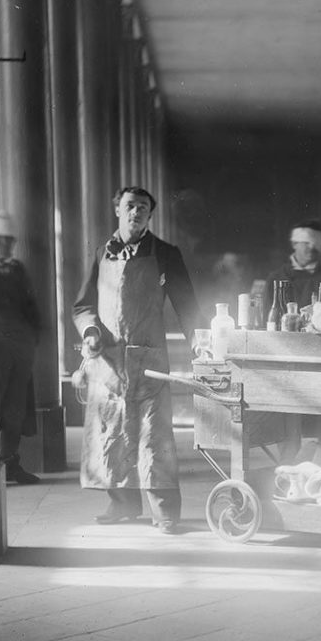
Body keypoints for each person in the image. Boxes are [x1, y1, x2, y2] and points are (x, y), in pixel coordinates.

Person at [73, 186, 207, 535]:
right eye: (130, 206)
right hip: (109, 361)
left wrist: (201, 344)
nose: (136, 213)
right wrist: (89, 331)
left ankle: (165, 512)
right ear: (118, 209)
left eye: (143, 208)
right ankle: (122, 504)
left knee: (154, 435)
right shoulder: (102, 252)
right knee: (112, 432)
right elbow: (83, 305)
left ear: (150, 215)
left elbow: (187, 305)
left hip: (150, 358)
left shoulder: (164, 253)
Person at [0, 211, 42, 485]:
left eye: (9, 240)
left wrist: (32, 339)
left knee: (15, 409)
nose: (5, 245)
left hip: (19, 349)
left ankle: (10, 462)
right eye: (0, 240)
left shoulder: (19, 269)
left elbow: (31, 307)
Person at [265, 219, 321, 306]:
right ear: (294, 244)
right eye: (306, 243)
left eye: (316, 243)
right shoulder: (276, 278)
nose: (312, 247)